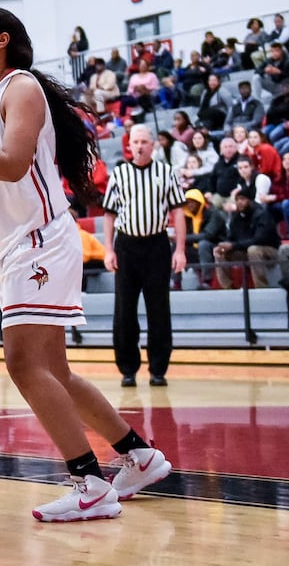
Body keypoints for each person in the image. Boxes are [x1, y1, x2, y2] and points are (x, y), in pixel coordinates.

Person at [0, 6, 172, 523]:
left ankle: (89, 483)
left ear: (2, 39)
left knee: (23, 364)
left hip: (40, 239)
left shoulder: (21, 87)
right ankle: (138, 456)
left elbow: (13, 163)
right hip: (9, 244)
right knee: (54, 370)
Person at [101, 125, 187, 387]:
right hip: (126, 246)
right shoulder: (120, 173)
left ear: (153, 145)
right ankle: (128, 368)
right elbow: (109, 214)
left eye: (144, 142)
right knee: (124, 310)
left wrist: (181, 250)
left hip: (157, 245)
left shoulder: (166, 172)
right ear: (130, 145)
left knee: (159, 308)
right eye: (135, 141)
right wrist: (108, 249)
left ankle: (158, 369)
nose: (139, 146)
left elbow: (179, 213)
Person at [212, 186, 280, 289]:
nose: (239, 202)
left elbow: (260, 239)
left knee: (253, 250)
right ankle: (228, 288)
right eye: (237, 200)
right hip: (245, 250)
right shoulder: (236, 216)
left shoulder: (261, 214)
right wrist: (224, 246)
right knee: (220, 252)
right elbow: (231, 238)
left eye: (242, 199)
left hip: (270, 251)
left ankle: (261, 288)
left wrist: (233, 245)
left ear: (250, 200)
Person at [183, 189, 228, 289]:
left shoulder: (214, 214)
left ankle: (207, 281)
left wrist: (182, 238)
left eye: (192, 202)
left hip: (216, 245)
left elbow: (208, 235)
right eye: (187, 203)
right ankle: (176, 283)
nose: (190, 205)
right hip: (195, 247)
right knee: (176, 247)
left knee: (203, 244)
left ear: (200, 202)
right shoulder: (187, 217)